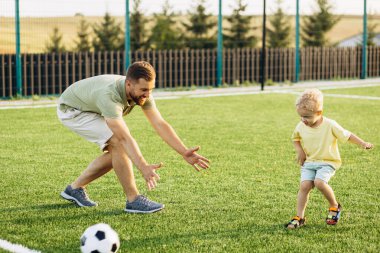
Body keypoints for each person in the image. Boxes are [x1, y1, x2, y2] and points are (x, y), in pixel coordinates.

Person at [57, 61, 210, 214]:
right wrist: (143, 166)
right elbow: (124, 138)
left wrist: (183, 151)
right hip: (72, 111)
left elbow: (159, 123)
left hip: (91, 107)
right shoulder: (110, 96)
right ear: (128, 84)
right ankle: (133, 199)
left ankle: (74, 189)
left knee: (117, 153)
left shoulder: (143, 91)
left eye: (151, 89)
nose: (148, 95)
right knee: (119, 143)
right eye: (144, 90)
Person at [286, 88, 373, 229]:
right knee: (304, 186)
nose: (303, 120)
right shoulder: (301, 125)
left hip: (328, 161)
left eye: (307, 117)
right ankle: (300, 217)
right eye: (301, 116)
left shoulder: (330, 124)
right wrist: (300, 151)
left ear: (319, 113)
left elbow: (347, 135)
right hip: (309, 162)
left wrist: (362, 143)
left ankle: (334, 206)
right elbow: (295, 138)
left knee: (319, 182)